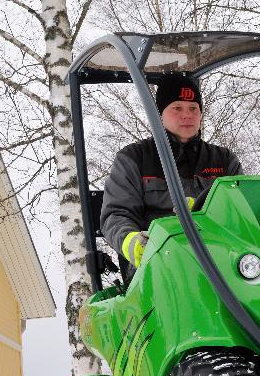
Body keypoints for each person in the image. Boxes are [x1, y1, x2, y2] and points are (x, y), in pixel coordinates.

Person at [100, 74, 243, 272]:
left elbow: (240, 212)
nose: (187, 115)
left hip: (219, 259)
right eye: (177, 108)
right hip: (154, 264)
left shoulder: (224, 160)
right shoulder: (134, 158)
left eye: (193, 108)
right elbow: (116, 215)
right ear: (160, 114)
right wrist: (133, 243)